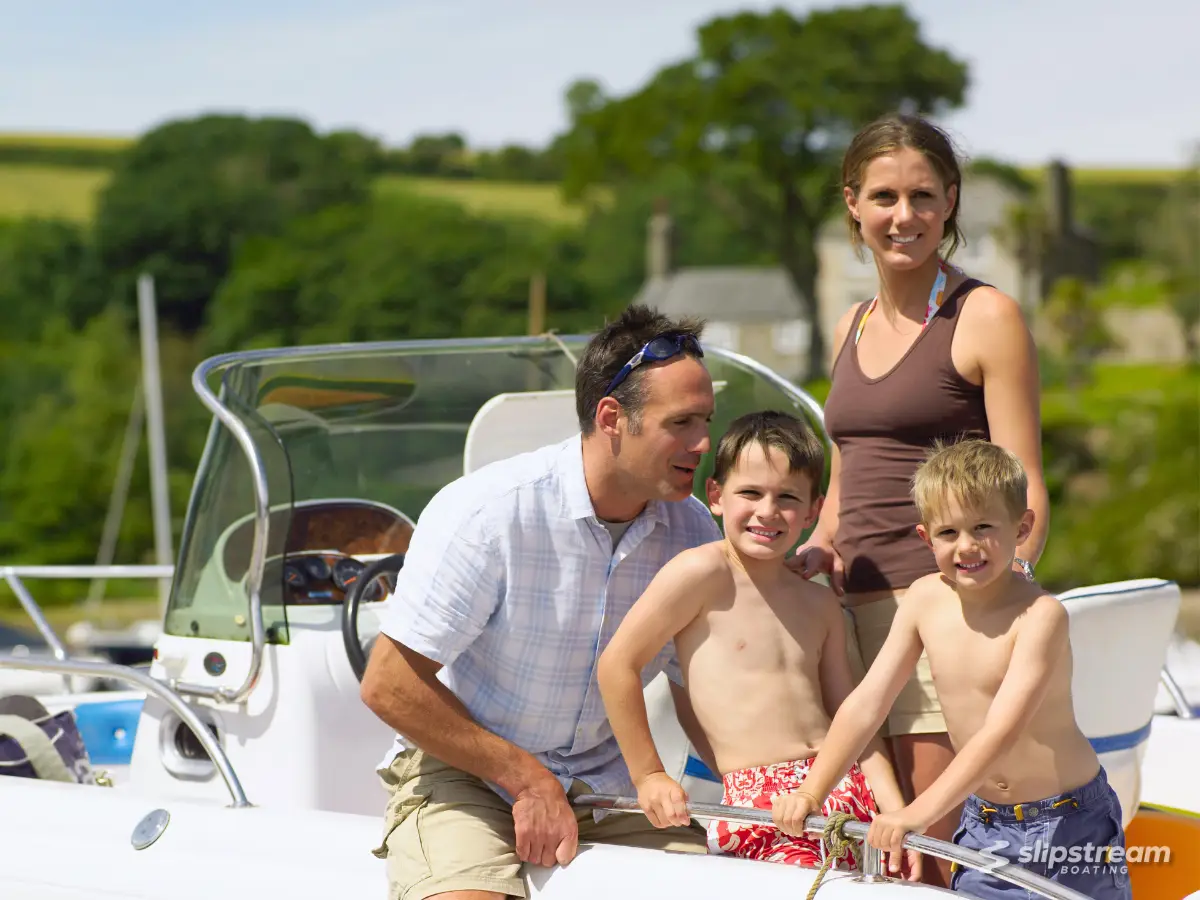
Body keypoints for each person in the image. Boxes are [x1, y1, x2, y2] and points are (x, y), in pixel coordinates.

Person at [360, 305, 726, 900]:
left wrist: (774, 792)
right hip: (464, 777)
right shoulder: (488, 513)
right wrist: (527, 780)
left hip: (609, 790)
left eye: (706, 420)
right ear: (612, 418)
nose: (703, 442)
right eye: (681, 422)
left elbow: (704, 697)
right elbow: (388, 685)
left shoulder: (697, 532)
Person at [793, 111, 1049, 887]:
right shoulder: (850, 322)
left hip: (940, 615)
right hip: (848, 619)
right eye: (884, 197)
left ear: (950, 202)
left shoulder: (985, 315)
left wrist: (989, 611)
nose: (903, 216)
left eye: (922, 196)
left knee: (928, 856)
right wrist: (815, 548)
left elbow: (1026, 492)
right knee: (867, 856)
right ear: (852, 203)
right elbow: (848, 471)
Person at [774, 440, 1130, 899]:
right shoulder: (924, 600)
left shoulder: (1041, 615)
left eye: (983, 527)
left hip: (1070, 822)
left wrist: (917, 813)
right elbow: (867, 703)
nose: (967, 546)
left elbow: (999, 733)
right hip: (985, 822)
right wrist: (812, 791)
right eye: (948, 532)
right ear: (926, 538)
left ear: (1022, 527)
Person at [597, 410, 918, 878]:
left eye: (787, 497)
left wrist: (894, 809)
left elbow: (853, 718)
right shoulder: (699, 573)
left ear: (813, 510)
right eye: (750, 493)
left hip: (847, 791)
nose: (767, 511)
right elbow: (617, 665)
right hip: (763, 801)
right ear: (716, 496)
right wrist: (648, 775)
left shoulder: (819, 602)